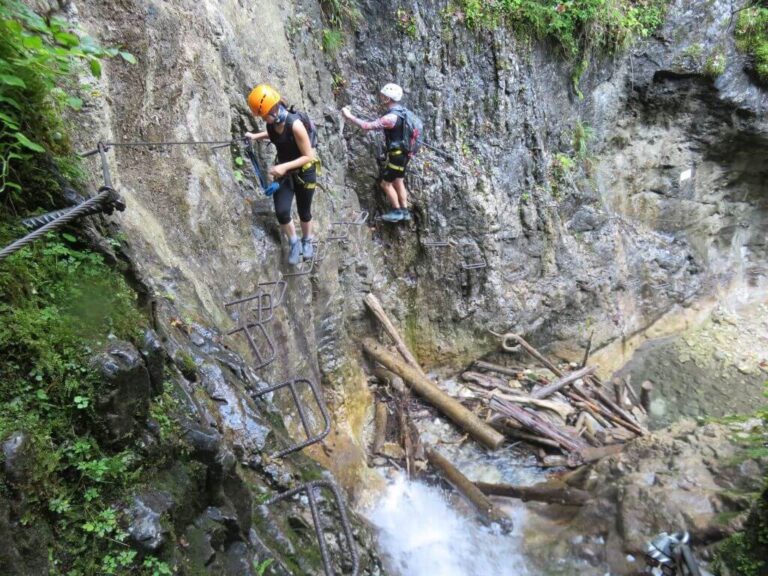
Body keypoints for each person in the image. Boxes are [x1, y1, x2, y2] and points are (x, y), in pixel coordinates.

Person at [245, 84, 318, 265]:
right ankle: (294, 243)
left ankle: (307, 240)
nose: (262, 119)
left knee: (304, 211)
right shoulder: (272, 123)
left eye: (263, 115)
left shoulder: (296, 125)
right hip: (285, 174)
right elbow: (274, 135)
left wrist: (284, 167)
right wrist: (255, 137)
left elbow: (310, 156)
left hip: (304, 172)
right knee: (282, 211)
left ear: (272, 110)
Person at [342, 83, 411, 223]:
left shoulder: (390, 118)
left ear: (389, 98)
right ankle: (405, 212)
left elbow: (367, 126)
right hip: (404, 155)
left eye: (384, 96)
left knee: (386, 184)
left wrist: (349, 117)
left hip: (396, 156)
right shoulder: (403, 113)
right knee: (398, 181)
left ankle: (397, 211)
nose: (381, 97)